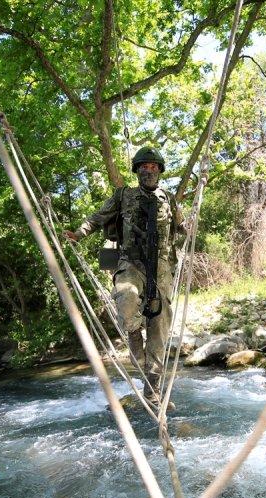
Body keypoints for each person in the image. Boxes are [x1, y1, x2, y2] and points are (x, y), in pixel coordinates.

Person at [64, 147, 185, 405]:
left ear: (160, 171)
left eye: (154, 166)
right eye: (144, 166)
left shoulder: (170, 199)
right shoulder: (123, 196)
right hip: (130, 263)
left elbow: (182, 227)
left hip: (161, 267)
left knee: (159, 325)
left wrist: (190, 225)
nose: (149, 170)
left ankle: (152, 385)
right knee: (127, 301)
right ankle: (134, 344)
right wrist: (80, 232)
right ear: (137, 170)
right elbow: (98, 217)